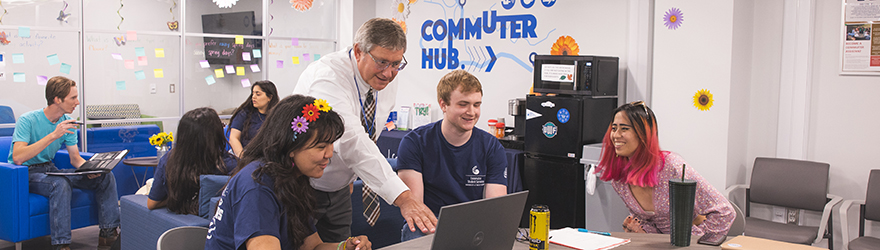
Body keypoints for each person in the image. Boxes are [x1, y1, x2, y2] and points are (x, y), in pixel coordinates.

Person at [293, 17, 436, 241]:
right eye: (382, 62)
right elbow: (350, 140)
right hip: (302, 185)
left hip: (340, 188)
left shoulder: (385, 78)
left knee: (340, 245)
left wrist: (351, 175)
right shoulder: (328, 77)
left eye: (396, 64)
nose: (388, 73)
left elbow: (369, 131)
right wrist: (404, 197)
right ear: (359, 51)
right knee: (299, 244)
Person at [205, 95, 372, 250]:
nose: (329, 154)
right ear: (291, 147)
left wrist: (345, 247)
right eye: (321, 146)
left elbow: (312, 247)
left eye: (331, 144)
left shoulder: (291, 179)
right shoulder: (257, 186)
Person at [7, 76, 119, 250]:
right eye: (73, 98)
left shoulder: (67, 122)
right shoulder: (27, 120)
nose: (77, 102)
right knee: (59, 183)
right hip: (25, 173)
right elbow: (18, 157)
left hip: (50, 169)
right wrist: (54, 135)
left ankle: (108, 236)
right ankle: (61, 245)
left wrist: (89, 169)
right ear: (57, 99)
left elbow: (75, 158)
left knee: (105, 176)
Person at [597, 101, 734, 243]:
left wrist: (700, 241)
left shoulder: (672, 166)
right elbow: (653, 226)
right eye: (614, 128)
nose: (616, 135)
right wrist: (641, 231)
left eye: (624, 129)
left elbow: (724, 212)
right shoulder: (619, 180)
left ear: (644, 134)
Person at [396, 70, 508, 241]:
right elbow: (416, 209)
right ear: (443, 104)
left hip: (474, 226)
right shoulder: (415, 142)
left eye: (476, 105)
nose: (472, 112)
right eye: (463, 104)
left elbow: (494, 208)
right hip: (430, 224)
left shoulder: (492, 147)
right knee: (414, 231)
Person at [147, 107, 238, 214]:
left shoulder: (169, 160)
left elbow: (152, 203)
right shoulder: (231, 164)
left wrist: (177, 200)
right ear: (216, 134)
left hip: (178, 217)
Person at [229, 81, 279, 157]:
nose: (253, 97)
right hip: (244, 155)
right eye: (253, 93)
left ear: (270, 97)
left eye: (258, 94)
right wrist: (242, 157)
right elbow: (233, 137)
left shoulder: (277, 117)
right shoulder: (244, 114)